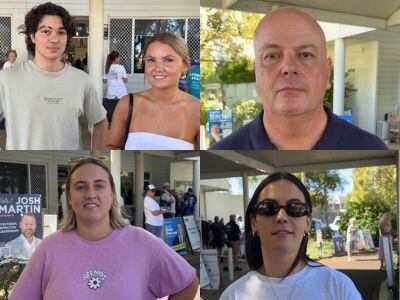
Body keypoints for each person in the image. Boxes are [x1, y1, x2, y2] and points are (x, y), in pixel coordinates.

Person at [10, 157, 198, 299]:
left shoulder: (144, 242)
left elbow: (187, 284)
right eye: (81, 187)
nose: (90, 194)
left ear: (112, 194)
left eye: (99, 186)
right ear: (69, 197)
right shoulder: (49, 247)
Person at [210, 8, 387, 150]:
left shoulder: (372, 148)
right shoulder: (221, 153)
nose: (289, 67)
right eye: (272, 56)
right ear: (256, 73)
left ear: (327, 72)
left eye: (305, 55)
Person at [220, 172, 361, 299]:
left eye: (295, 207)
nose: (281, 217)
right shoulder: (233, 295)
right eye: (268, 207)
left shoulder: (339, 288)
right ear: (254, 222)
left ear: (308, 222)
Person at [0, 2, 107, 150]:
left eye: (61, 32)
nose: (54, 39)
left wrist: (97, 156)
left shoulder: (81, 80)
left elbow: (100, 120)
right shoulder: (6, 79)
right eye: (46, 31)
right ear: (32, 36)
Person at [106, 32, 200, 150]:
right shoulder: (127, 104)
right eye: (151, 60)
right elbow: (112, 146)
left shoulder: (197, 111)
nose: (158, 68)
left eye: (168, 60)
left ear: (185, 65)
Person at [103, 51, 128, 123]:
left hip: (110, 93)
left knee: (111, 113)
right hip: (121, 93)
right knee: (122, 113)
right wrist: (119, 78)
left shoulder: (107, 67)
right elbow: (125, 80)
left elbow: (104, 81)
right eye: (119, 58)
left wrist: (112, 79)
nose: (119, 59)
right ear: (116, 58)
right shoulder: (121, 67)